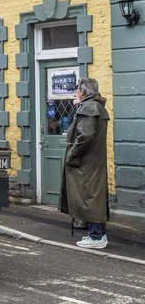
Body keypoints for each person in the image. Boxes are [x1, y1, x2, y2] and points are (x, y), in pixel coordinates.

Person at [59, 78, 110, 249]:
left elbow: (85, 135)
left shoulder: (89, 107)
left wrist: (72, 155)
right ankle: (98, 234)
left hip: (87, 162)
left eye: (76, 90)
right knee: (93, 195)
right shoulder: (95, 106)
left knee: (90, 196)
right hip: (92, 160)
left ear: (83, 92)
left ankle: (96, 236)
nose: (74, 93)